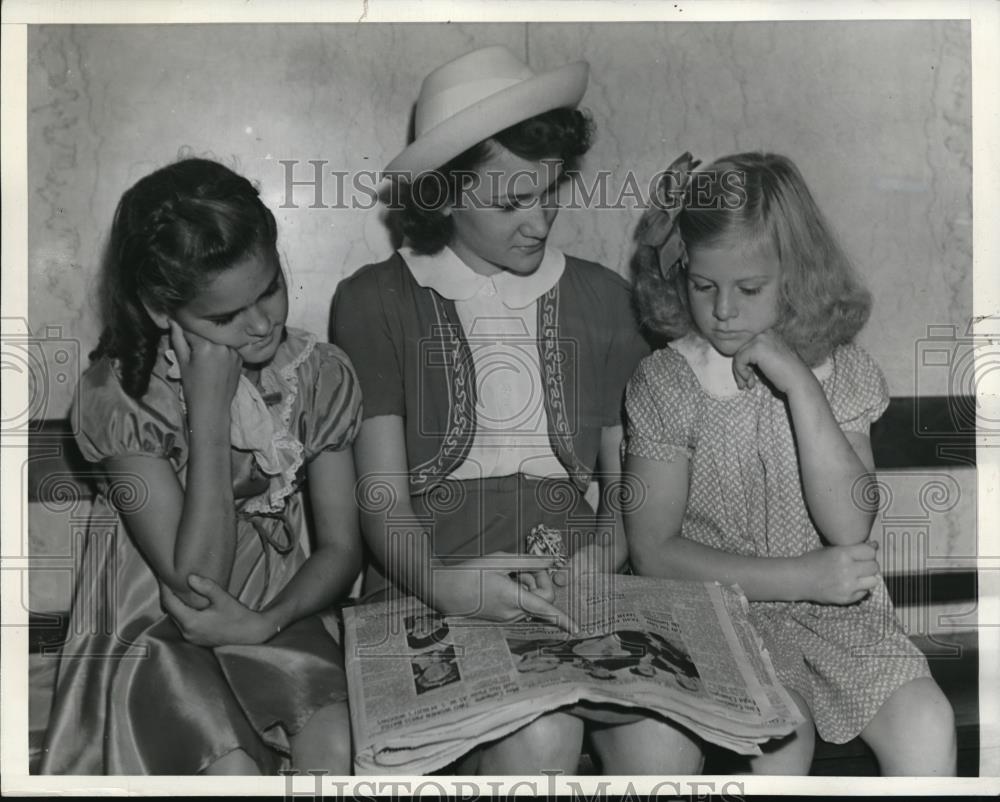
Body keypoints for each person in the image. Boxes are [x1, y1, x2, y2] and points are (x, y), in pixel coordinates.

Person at [331, 45, 700, 774]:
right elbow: (380, 496)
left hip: (576, 585)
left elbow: (623, 478)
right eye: (509, 203)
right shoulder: (374, 299)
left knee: (669, 745)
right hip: (431, 581)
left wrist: (605, 552)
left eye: (549, 192)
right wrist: (444, 585)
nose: (539, 222)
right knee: (541, 736)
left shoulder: (602, 300)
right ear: (441, 197)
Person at [624, 151, 957, 775]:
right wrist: (802, 577)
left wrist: (802, 385)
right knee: (784, 737)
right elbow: (653, 551)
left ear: (796, 276)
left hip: (839, 624)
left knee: (928, 722)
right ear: (678, 274)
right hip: (718, 622)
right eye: (702, 285)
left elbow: (849, 527)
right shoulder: (667, 383)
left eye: (749, 289)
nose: (723, 310)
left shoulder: (842, 373)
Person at [41, 158, 363, 775]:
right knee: (229, 765)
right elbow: (195, 583)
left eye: (269, 287)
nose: (264, 322)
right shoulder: (121, 398)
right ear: (163, 312)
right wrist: (209, 414)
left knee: (339, 739)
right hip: (156, 628)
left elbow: (342, 547)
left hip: (275, 612)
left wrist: (267, 622)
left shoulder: (319, 375)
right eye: (224, 318)